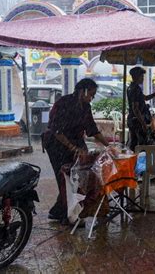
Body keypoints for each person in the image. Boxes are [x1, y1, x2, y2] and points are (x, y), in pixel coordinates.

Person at [42, 78, 110, 223]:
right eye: (91, 94)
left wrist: (109, 145)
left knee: (77, 178)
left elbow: (92, 130)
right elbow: (57, 130)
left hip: (76, 141)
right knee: (65, 177)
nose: (91, 98)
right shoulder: (63, 103)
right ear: (82, 91)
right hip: (56, 143)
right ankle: (68, 215)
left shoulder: (86, 107)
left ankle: (59, 211)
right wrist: (74, 148)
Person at [127, 67, 155, 150]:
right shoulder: (135, 89)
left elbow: (145, 98)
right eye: (142, 76)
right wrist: (143, 123)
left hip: (133, 120)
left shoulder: (132, 87)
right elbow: (135, 108)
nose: (143, 78)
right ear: (136, 76)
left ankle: (134, 160)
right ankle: (136, 160)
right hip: (136, 121)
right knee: (140, 145)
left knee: (134, 143)